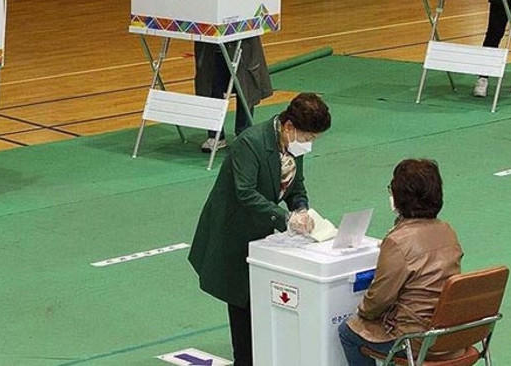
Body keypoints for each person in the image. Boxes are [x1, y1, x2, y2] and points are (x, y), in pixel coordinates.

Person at [188, 92, 332, 366]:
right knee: (242, 304)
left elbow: (295, 185)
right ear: (289, 127)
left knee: (262, 303)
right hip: (234, 229)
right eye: (308, 138)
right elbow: (245, 192)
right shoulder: (250, 143)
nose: (309, 144)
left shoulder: (291, 145)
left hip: (263, 232)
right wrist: (284, 218)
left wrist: (300, 208)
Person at [338, 159, 463, 366]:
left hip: (415, 340)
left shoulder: (397, 242)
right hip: (454, 335)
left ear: (400, 196)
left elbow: (378, 299)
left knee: (347, 331)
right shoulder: (448, 231)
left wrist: (361, 311)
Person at [194, 36, 273, 153]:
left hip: (243, 41)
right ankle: (215, 135)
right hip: (210, 43)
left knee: (245, 86)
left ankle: (243, 133)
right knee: (211, 85)